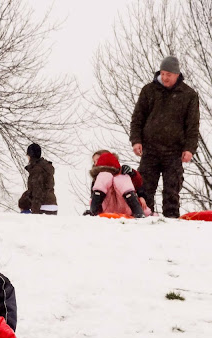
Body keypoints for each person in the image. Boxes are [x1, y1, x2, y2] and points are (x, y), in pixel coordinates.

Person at [130, 55, 200, 218]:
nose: (165, 77)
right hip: (150, 150)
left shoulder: (188, 95)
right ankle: (145, 218)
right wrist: (136, 140)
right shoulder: (149, 91)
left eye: (169, 74)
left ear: (177, 75)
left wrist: (189, 148)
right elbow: (137, 118)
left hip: (174, 151)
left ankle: (171, 221)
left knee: (172, 191)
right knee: (145, 189)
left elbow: (193, 126)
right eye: (162, 73)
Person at [84, 150, 149, 216]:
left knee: (121, 178)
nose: (95, 163)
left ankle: (138, 211)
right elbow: (94, 194)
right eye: (94, 161)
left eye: (98, 160)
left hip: (126, 207)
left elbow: (138, 183)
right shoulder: (99, 178)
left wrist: (141, 196)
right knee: (104, 176)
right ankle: (93, 211)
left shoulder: (123, 172)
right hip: (106, 207)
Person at [18, 143, 58, 215]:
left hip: (43, 206)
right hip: (52, 204)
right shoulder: (45, 168)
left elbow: (37, 191)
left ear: (31, 155)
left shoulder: (37, 169)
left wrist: (35, 211)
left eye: (28, 155)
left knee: (23, 203)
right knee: (23, 201)